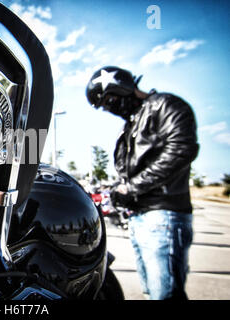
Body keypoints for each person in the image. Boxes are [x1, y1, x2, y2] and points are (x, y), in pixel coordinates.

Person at [85, 66, 199, 300]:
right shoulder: (130, 124)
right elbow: (129, 171)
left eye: (109, 100)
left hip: (163, 214)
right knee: (151, 293)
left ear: (122, 86)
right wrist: (116, 189)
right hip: (140, 216)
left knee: (164, 295)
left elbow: (181, 149)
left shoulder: (166, 105)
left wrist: (132, 188)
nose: (109, 108)